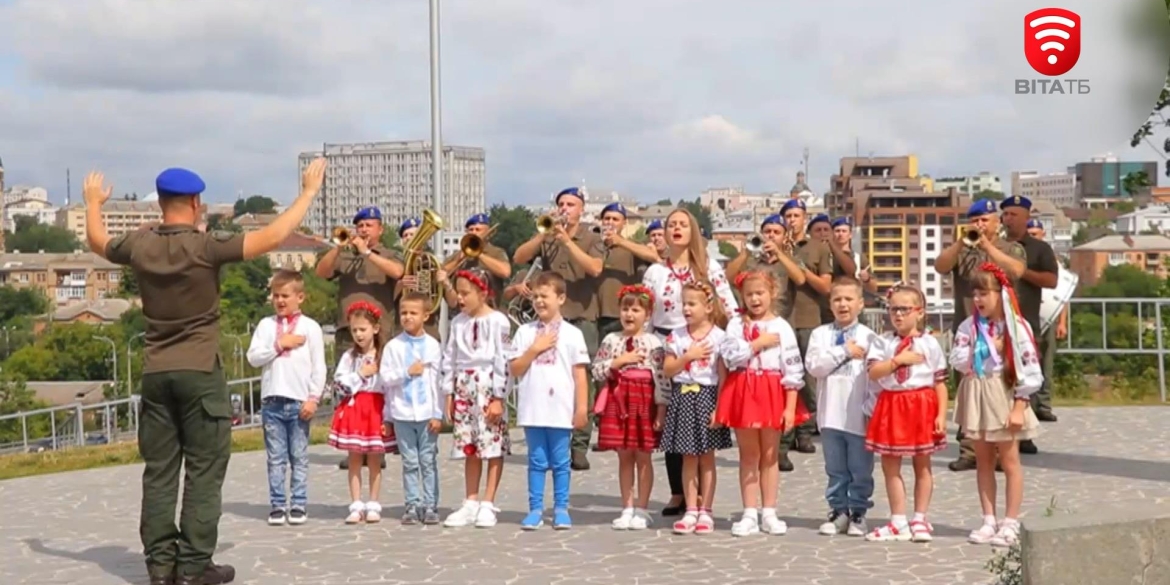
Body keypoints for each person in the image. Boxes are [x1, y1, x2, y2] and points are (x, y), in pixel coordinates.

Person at [83, 159, 325, 585]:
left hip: (156, 373)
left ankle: (160, 566)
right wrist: (306, 193)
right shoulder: (206, 246)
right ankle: (194, 566)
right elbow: (272, 237)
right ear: (195, 203)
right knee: (204, 467)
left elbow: (98, 241)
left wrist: (92, 203)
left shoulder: (139, 244)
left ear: (160, 203)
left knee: (159, 470)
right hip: (200, 372)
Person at [641, 208, 738, 517]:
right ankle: (677, 491)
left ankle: (702, 501)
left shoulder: (707, 267)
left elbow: (729, 306)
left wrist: (734, 340)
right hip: (665, 343)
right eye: (672, 225)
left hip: (703, 342)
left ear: (693, 230)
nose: (677, 229)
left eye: (683, 224)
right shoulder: (656, 271)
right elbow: (644, 311)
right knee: (670, 416)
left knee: (697, 416)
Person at [950, 263, 1043, 548]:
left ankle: (1011, 521)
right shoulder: (969, 326)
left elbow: (1030, 367)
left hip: (1004, 393)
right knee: (983, 459)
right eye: (974, 293)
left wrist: (1019, 404)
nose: (978, 299)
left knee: (1010, 459)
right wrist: (980, 351)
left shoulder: (1017, 326)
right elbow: (956, 358)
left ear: (1001, 293)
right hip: (977, 391)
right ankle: (988, 518)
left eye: (984, 293)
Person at [512, 187, 605, 470]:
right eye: (561, 204)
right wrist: (543, 234)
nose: (565, 208)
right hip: (551, 320)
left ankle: (578, 445)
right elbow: (518, 257)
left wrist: (568, 243)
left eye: (571, 204)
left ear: (581, 209)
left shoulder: (592, 237)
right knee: (550, 377)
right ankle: (555, 437)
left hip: (581, 316)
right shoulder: (549, 235)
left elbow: (595, 268)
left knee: (581, 381)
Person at [934, 198, 1027, 472]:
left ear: (996, 222)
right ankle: (969, 449)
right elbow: (940, 266)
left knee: (1003, 387)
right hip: (969, 327)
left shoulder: (1011, 247)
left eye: (985, 220)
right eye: (975, 220)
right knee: (968, 389)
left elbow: (1017, 270)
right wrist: (962, 242)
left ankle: (1002, 450)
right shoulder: (962, 250)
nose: (980, 225)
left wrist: (987, 246)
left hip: (1003, 329)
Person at [718, 270, 809, 537]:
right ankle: (749, 512)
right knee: (748, 454)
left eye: (760, 293)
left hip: (771, 391)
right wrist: (757, 343)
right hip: (744, 389)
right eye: (749, 294)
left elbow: (793, 369)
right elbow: (731, 356)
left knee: (770, 455)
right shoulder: (736, 325)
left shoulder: (782, 327)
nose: (755, 299)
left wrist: (790, 407)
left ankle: (769, 511)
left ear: (772, 294)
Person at [863, 282, 949, 543]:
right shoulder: (883, 342)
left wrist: (941, 414)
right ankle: (898, 520)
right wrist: (897, 361)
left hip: (921, 404)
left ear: (919, 312)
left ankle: (920, 518)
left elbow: (940, 382)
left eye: (904, 309)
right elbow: (873, 372)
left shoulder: (930, 344)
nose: (898, 315)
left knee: (922, 464)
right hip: (892, 404)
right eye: (892, 309)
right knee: (891, 465)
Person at [506, 272, 591, 530]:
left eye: (545, 296)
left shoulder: (573, 333)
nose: (539, 301)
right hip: (533, 407)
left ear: (561, 298)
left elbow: (580, 374)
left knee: (561, 461)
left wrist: (582, 408)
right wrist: (535, 348)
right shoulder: (524, 332)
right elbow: (516, 368)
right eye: (535, 296)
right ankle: (535, 509)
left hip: (561, 409)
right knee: (537, 460)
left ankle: (561, 508)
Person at [245, 270, 327, 527]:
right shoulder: (266, 326)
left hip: (299, 401)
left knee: (299, 455)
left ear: (299, 297)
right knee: (276, 457)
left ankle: (299, 503)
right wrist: (280, 344)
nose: (280, 300)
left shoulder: (310, 327)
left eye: (285, 296)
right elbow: (254, 357)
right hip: (273, 401)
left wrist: (314, 397)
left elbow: (319, 366)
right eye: (276, 295)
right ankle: (278, 504)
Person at [805, 276, 879, 537]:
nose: (843, 304)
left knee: (860, 468)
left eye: (849, 299)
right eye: (837, 299)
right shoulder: (820, 334)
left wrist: (871, 412)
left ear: (860, 303)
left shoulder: (869, 337)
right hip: (830, 415)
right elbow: (815, 366)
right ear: (830, 303)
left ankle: (858, 511)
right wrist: (844, 351)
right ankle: (838, 510)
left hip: (858, 415)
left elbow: (875, 380)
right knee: (835, 467)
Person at [591, 284, 669, 530]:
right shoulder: (611, 339)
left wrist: (661, 410)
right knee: (624, 457)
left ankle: (642, 508)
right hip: (619, 399)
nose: (629, 314)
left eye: (636, 309)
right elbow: (596, 369)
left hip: (643, 400)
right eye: (625, 309)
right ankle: (626, 506)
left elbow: (662, 379)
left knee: (643, 457)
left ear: (647, 314)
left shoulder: (653, 342)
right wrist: (617, 362)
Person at [660, 281, 735, 535]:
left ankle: (707, 510)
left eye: (692, 304)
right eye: (685, 304)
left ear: (708, 306)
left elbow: (724, 376)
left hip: (707, 396)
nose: (687, 309)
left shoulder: (719, 337)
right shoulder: (677, 336)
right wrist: (687, 357)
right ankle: (690, 508)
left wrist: (720, 408)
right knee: (687, 457)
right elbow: (668, 369)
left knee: (707, 457)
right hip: (683, 397)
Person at [441, 268, 513, 528]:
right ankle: (470, 501)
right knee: (469, 444)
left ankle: (488, 501)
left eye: (465, 293)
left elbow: (503, 360)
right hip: (464, 385)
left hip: (487, 384)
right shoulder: (457, 322)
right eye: (457, 293)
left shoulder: (498, 321)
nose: (460, 299)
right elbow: (449, 357)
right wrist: (448, 392)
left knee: (491, 445)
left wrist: (498, 396)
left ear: (483, 293)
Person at [381, 292, 443, 526]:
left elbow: (438, 383)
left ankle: (430, 504)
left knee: (427, 460)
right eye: (404, 313)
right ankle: (412, 504)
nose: (407, 317)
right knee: (409, 461)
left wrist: (438, 414)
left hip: (427, 413)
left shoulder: (433, 346)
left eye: (413, 313)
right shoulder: (393, 347)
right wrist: (406, 372)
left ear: (425, 315)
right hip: (403, 414)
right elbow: (385, 379)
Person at [328, 301, 392, 524]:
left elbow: (389, 385)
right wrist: (360, 375)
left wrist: (389, 416)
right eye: (354, 330)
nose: (358, 334)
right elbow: (339, 384)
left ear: (375, 328)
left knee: (374, 458)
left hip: (375, 409)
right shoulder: (349, 358)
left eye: (362, 329)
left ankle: (373, 503)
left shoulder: (384, 355)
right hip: (356, 409)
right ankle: (356, 503)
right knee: (354, 457)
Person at [780, 198, 834, 466]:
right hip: (781, 319)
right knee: (785, 380)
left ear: (804, 218)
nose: (792, 220)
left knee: (808, 381)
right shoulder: (775, 245)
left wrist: (800, 268)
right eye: (788, 215)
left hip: (808, 317)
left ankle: (805, 431)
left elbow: (826, 287)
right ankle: (786, 434)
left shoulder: (817, 249)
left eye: (796, 215)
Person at [999, 209, 1060, 427]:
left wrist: (1021, 271)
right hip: (998, 319)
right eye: (1005, 214)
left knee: (1028, 371)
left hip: (1027, 318)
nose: (1009, 218)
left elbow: (1052, 281)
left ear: (1026, 218)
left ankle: (1027, 426)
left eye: (1015, 214)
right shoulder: (997, 245)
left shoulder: (1040, 249)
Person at [724, 214, 806, 326]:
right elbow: (727, 278)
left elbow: (800, 279)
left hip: (783, 321)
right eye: (767, 231)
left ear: (784, 237)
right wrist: (744, 254)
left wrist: (778, 254)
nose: (771, 235)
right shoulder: (750, 260)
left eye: (777, 232)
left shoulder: (790, 260)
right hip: (753, 323)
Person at [595, 203, 659, 340]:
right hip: (595, 313)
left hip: (621, 314)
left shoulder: (631, 247)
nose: (610, 223)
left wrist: (620, 242)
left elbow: (654, 257)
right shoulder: (594, 246)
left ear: (624, 223)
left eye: (615, 219)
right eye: (607, 219)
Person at [1027, 218, 1068, 412]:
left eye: (1035, 233)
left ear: (1043, 234)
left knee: (1047, 360)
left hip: (1048, 314)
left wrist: (1062, 322)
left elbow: (1062, 293)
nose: (1032, 236)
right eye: (1029, 233)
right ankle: (1028, 402)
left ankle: (1044, 404)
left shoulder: (1051, 258)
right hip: (1027, 313)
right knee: (1027, 358)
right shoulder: (1021, 255)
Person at [440, 213, 512, 306]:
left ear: (488, 232)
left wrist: (479, 254)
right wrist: (457, 261)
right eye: (471, 230)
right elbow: (441, 273)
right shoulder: (459, 254)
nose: (474, 232)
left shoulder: (496, 252)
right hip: (462, 310)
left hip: (489, 308)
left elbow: (505, 272)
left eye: (478, 230)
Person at [394, 217, 446, 339]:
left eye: (413, 234)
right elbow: (387, 300)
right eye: (405, 235)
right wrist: (401, 285)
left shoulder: (432, 263)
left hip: (428, 329)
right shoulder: (395, 262)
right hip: (401, 330)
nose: (408, 237)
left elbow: (451, 300)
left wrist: (444, 282)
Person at [830, 218, 877, 295]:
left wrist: (867, 279)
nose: (840, 234)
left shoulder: (859, 258)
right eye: (837, 231)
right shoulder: (827, 255)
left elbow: (873, 288)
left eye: (844, 231)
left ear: (850, 234)